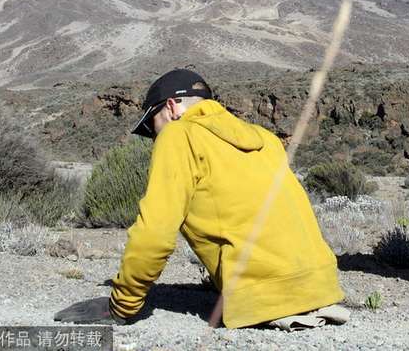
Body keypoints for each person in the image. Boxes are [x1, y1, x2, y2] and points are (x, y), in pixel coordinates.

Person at [55, 68, 347, 328]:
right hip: (323, 287)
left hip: (266, 300)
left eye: (152, 126)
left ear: (171, 108)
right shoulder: (266, 138)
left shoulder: (178, 135)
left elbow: (155, 233)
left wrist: (120, 306)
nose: (155, 137)